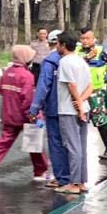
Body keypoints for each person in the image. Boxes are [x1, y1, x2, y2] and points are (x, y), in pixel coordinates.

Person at [0, 45, 49, 181]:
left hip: (8, 113)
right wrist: (35, 118)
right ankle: (40, 172)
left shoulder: (8, 72)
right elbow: (28, 101)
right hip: (25, 116)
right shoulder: (27, 76)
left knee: (3, 142)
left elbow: (0, 87)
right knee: (34, 143)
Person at [30, 29, 71, 189]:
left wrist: (34, 108)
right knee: (72, 143)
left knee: (56, 143)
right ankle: (75, 177)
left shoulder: (50, 61)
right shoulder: (75, 59)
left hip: (54, 108)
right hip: (72, 108)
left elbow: (43, 87)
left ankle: (61, 177)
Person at [54, 31, 93, 195]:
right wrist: (82, 102)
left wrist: (77, 106)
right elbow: (90, 86)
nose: (56, 46)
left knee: (72, 146)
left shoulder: (65, 62)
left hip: (69, 111)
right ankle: (82, 181)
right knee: (82, 146)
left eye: (57, 43)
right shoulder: (81, 61)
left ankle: (75, 183)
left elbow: (71, 86)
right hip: (84, 108)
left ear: (63, 45)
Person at [77, 27, 107, 160]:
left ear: (93, 38)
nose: (85, 41)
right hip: (79, 93)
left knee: (99, 119)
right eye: (82, 38)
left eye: (87, 38)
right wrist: (88, 57)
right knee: (78, 120)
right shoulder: (76, 51)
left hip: (96, 92)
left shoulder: (102, 51)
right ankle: (77, 149)